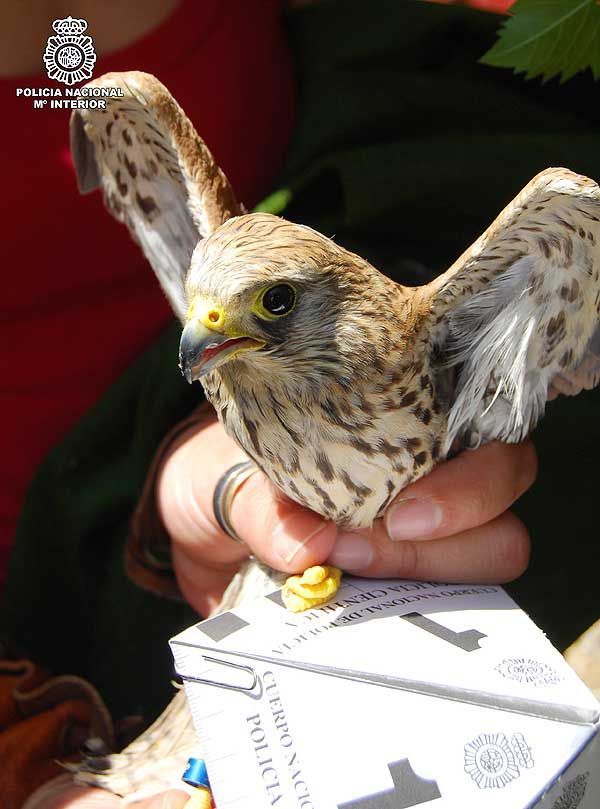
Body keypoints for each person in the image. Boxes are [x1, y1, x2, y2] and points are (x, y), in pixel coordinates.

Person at [6, 0, 582, 805]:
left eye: (263, 307)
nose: (206, 332)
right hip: (59, 595)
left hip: (296, 534)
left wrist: (193, 484)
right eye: (207, 312)